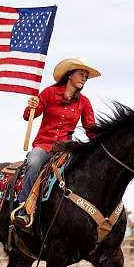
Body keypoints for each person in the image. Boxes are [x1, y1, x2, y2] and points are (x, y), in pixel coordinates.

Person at [14, 57, 100, 228]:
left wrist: (102, 143)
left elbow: (91, 130)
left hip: (67, 148)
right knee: (34, 162)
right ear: (70, 75)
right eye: (81, 74)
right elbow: (28, 116)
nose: (84, 78)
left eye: (86, 76)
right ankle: (23, 207)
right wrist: (32, 105)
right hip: (44, 145)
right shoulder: (49, 93)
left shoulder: (84, 102)